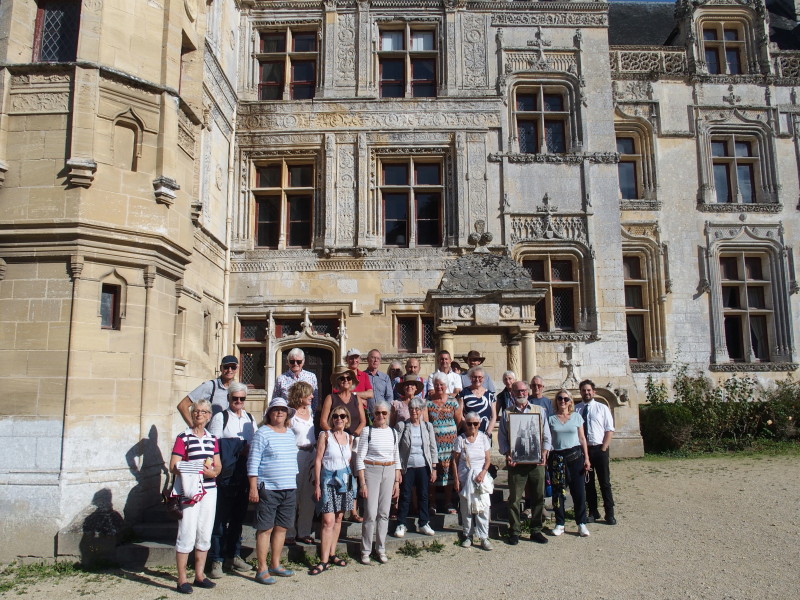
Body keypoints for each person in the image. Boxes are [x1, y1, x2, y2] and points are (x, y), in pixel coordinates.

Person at [170, 399, 222, 594]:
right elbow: (173, 465)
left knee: (205, 531)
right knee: (187, 532)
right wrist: (198, 469)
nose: (199, 414)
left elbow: (218, 465)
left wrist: (213, 472)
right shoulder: (183, 437)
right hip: (190, 491)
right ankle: (182, 578)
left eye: (203, 412)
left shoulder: (212, 438)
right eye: (196, 411)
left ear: (209, 416)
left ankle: (199, 575)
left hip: (209, 490)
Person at [206, 382, 256, 578]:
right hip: (226, 474)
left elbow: (255, 442)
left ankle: (233, 555)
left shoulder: (249, 418)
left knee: (237, 518)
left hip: (243, 472)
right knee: (220, 519)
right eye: (235, 398)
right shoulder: (221, 417)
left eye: (242, 398)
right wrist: (238, 447)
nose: (238, 401)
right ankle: (216, 559)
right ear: (229, 398)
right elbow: (214, 445)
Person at [247, 398, 299, 585]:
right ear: (269, 413)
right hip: (268, 487)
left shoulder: (290, 433)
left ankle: (275, 564)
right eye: (276, 409)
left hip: (289, 487)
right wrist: (253, 487)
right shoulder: (262, 433)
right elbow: (253, 461)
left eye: (283, 410)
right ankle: (261, 569)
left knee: (282, 527)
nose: (279, 412)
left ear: (287, 414)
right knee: (265, 528)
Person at [498, 380, 552, 545]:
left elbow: (546, 435)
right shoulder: (507, 413)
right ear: (512, 393)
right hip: (516, 463)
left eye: (523, 391)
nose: (521, 393)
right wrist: (508, 454)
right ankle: (515, 530)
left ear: (528, 392)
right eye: (517, 391)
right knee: (514, 498)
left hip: (536, 462)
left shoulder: (539, 411)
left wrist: (544, 453)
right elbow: (502, 437)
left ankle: (536, 530)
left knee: (538, 497)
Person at [310, 406, 355, 575]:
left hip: (344, 480)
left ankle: (332, 553)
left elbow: (349, 462)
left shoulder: (349, 438)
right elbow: (318, 460)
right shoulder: (325, 435)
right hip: (328, 480)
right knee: (327, 520)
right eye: (335, 416)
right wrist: (317, 484)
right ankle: (323, 560)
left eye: (342, 416)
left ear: (347, 419)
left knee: (338, 518)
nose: (339, 419)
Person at [320, 366, 367, 522]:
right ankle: (334, 507)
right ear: (337, 381)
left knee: (353, 474)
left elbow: (363, 421)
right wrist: (334, 437)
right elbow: (323, 421)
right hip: (335, 440)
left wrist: (353, 436)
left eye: (348, 378)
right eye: (342, 378)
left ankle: (353, 509)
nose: (345, 381)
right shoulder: (331, 398)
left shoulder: (356, 399)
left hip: (352, 440)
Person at [356, 401, 401, 564]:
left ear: (388, 414)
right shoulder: (367, 431)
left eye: (384, 413)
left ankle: (381, 548)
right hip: (371, 470)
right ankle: (366, 550)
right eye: (377, 413)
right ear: (373, 415)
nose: (381, 416)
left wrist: (396, 481)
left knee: (384, 513)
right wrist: (362, 483)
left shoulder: (393, 432)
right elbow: (360, 458)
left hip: (389, 470)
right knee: (370, 513)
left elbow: (396, 456)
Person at [548, 389, 591, 537]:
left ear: (570, 401)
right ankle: (560, 523)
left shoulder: (576, 417)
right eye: (560, 398)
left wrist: (587, 458)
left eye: (566, 399)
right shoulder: (551, 419)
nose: (563, 401)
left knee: (578, 491)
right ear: (556, 401)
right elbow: (547, 439)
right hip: (557, 457)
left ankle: (581, 523)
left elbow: (582, 438)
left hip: (575, 456)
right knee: (558, 492)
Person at [394, 398, 437, 538]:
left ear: (422, 411)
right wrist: (397, 469)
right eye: (412, 408)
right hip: (407, 466)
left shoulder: (428, 426)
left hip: (423, 465)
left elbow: (432, 447)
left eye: (417, 409)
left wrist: (434, 468)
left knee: (423, 495)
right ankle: (401, 523)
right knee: (405, 495)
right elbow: (395, 448)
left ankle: (423, 522)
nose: (414, 411)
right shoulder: (402, 426)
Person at [576, 379, 617, 525]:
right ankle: (593, 512)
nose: (586, 393)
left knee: (604, 482)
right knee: (588, 483)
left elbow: (609, 429)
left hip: (599, 448)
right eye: (583, 390)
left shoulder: (602, 408)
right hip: (584, 451)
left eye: (589, 390)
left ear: (594, 392)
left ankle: (609, 513)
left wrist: (604, 447)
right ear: (580, 392)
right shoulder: (577, 409)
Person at [452, 412, 492, 550]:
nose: (472, 426)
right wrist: (456, 479)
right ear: (465, 424)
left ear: (479, 424)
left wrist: (483, 473)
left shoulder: (483, 438)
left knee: (483, 508)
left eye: (475, 424)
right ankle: (468, 535)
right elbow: (454, 460)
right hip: (465, 478)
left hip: (481, 478)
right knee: (466, 508)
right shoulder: (460, 440)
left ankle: (484, 537)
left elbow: (488, 459)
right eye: (469, 424)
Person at [426, 373, 463, 514]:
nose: (439, 387)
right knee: (433, 473)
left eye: (441, 384)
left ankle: (448, 502)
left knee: (449, 474)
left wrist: (448, 433)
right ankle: (432, 503)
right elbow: (426, 422)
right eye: (436, 385)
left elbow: (458, 422)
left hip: (450, 445)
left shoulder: (453, 402)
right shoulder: (428, 402)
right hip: (434, 444)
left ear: (446, 386)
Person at [286, 381, 316, 546]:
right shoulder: (290, 414)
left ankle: (304, 531)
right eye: (309, 394)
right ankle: (289, 532)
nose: (312, 396)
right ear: (300, 395)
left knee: (308, 495)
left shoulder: (310, 411)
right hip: (296, 455)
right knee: (294, 494)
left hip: (311, 453)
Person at [177, 355, 238, 425]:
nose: (229, 370)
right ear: (221, 368)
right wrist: (193, 427)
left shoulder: (236, 388)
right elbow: (183, 405)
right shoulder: (210, 386)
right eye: (226, 367)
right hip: (212, 430)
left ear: (236, 369)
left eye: (233, 367)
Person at [456, 366, 497, 439]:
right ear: (470, 378)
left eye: (480, 377)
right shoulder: (463, 393)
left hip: (485, 435)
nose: (477, 379)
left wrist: (488, 432)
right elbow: (460, 414)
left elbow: (494, 416)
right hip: (468, 434)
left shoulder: (490, 395)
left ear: (483, 379)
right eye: (474, 377)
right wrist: (469, 431)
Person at [364, 349, 394, 415]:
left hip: (381, 414)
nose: (376, 360)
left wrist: (385, 410)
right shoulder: (362, 376)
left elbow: (389, 396)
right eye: (373, 357)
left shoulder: (385, 377)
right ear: (368, 359)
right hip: (367, 414)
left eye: (378, 358)